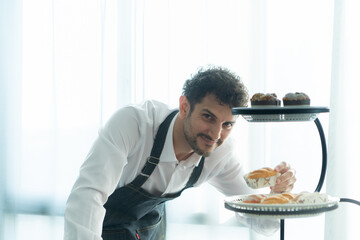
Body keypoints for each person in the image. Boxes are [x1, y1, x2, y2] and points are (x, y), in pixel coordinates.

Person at [64, 66, 296, 240]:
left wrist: (278, 197)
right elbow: (88, 195)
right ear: (184, 107)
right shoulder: (134, 123)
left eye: (227, 124)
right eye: (208, 117)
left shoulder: (221, 154)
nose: (216, 134)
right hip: (99, 227)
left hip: (150, 230)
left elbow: (259, 220)